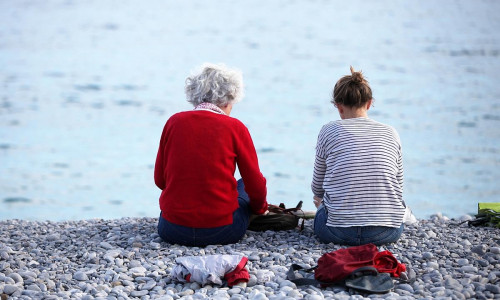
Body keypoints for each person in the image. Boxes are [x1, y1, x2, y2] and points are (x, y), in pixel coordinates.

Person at [154, 63, 268, 247]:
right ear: (228, 100)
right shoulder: (235, 127)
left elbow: (160, 181)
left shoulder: (174, 122)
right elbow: (255, 183)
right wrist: (260, 209)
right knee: (245, 184)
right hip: (222, 231)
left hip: (171, 230)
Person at [312, 66, 406, 246]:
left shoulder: (328, 130)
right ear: (369, 103)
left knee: (322, 207)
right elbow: (398, 186)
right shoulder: (390, 132)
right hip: (387, 231)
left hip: (336, 231)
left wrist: (321, 203)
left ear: (338, 107)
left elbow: (317, 188)